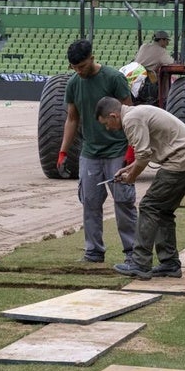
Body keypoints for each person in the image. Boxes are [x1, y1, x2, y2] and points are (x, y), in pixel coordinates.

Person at [95, 96, 185, 280]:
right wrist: (129, 169)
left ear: (113, 115)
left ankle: (140, 263)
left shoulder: (131, 120)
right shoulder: (136, 113)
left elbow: (143, 156)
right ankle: (169, 263)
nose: (108, 128)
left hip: (180, 159)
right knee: (163, 211)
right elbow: (143, 155)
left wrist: (131, 178)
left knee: (149, 206)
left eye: (106, 124)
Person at [57, 39, 137, 264]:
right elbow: (72, 118)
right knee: (90, 202)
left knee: (123, 201)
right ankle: (93, 252)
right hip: (90, 153)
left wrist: (131, 150)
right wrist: (63, 152)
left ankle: (133, 252)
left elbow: (130, 114)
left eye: (82, 66)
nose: (78, 71)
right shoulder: (74, 83)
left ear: (92, 58)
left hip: (117, 150)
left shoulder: (114, 78)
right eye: (74, 67)